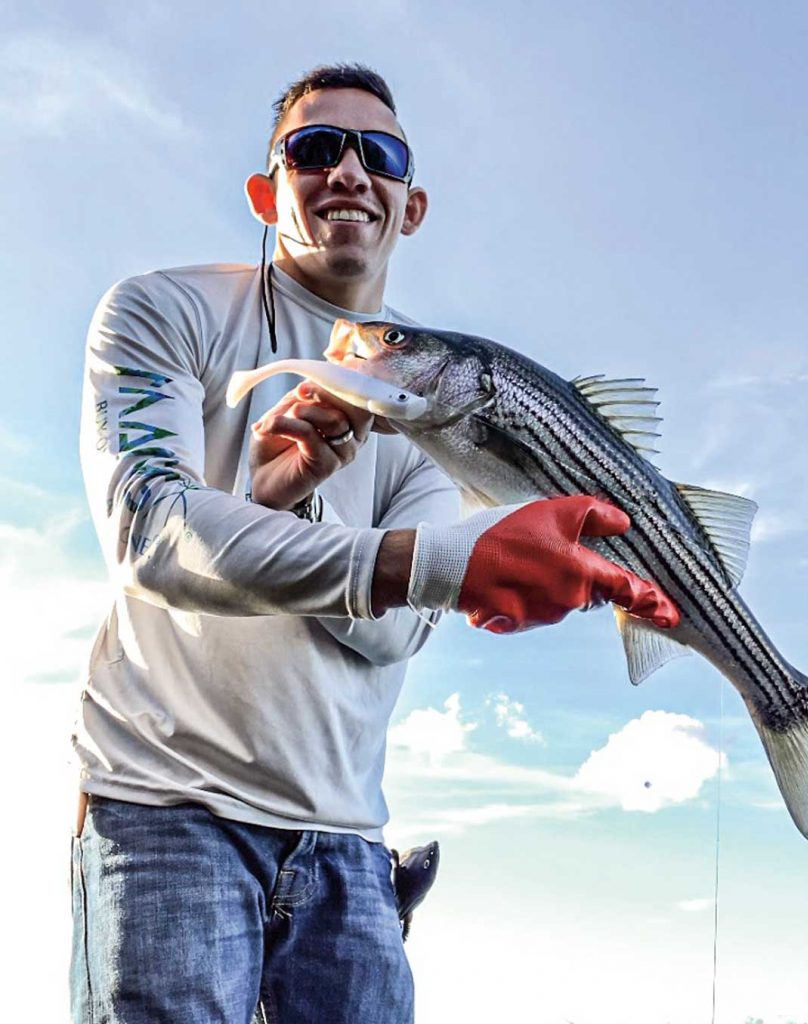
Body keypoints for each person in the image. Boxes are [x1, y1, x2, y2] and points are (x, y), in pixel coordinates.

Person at [72, 63, 679, 1024]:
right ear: (268, 192)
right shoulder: (164, 311)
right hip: (163, 809)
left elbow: (395, 633)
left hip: (347, 840)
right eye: (315, 148)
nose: (349, 169)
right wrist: (400, 556)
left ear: (412, 201)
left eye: (379, 153)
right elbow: (149, 528)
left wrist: (298, 508)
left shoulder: (441, 412)